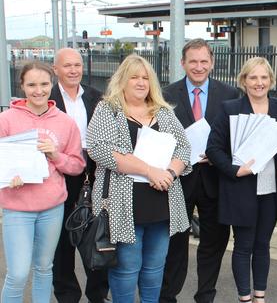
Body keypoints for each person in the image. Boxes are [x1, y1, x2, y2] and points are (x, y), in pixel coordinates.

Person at [86, 54, 192, 303]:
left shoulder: (163, 112)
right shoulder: (108, 109)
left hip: (162, 205)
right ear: (122, 80)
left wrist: (169, 173)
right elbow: (100, 149)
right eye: (134, 77)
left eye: (145, 77)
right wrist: (149, 171)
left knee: (155, 271)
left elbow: (184, 149)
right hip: (124, 206)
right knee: (126, 270)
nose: (141, 82)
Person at [161, 39, 240, 303]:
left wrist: (220, 154)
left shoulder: (230, 94)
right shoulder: (165, 95)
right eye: (192, 61)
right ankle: (168, 295)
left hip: (215, 179)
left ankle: (205, 296)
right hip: (178, 181)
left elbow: (237, 136)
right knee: (175, 243)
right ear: (183, 63)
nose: (198, 66)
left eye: (204, 61)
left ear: (212, 63)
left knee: (214, 244)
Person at [0, 61, 86, 302]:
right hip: (17, 207)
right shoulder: (6, 120)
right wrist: (8, 177)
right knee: (17, 274)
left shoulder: (65, 122)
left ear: (52, 84)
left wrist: (55, 155)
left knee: (44, 267)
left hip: (52, 207)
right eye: (31, 85)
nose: (38, 90)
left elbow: (77, 165)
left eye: (44, 84)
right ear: (22, 86)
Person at [205, 57, 277, 303]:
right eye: (253, 77)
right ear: (243, 81)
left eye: (263, 77)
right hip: (241, 187)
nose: (259, 83)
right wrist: (234, 170)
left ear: (271, 80)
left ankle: (260, 297)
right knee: (244, 245)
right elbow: (213, 148)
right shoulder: (230, 109)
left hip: (271, 189)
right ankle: (245, 298)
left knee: (263, 244)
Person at [50, 48, 110, 303]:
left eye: (77, 65)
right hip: (59, 174)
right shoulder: (48, 97)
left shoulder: (97, 96)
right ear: (56, 70)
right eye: (67, 66)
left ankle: (97, 294)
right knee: (62, 239)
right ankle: (67, 295)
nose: (73, 70)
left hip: (93, 174)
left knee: (96, 234)